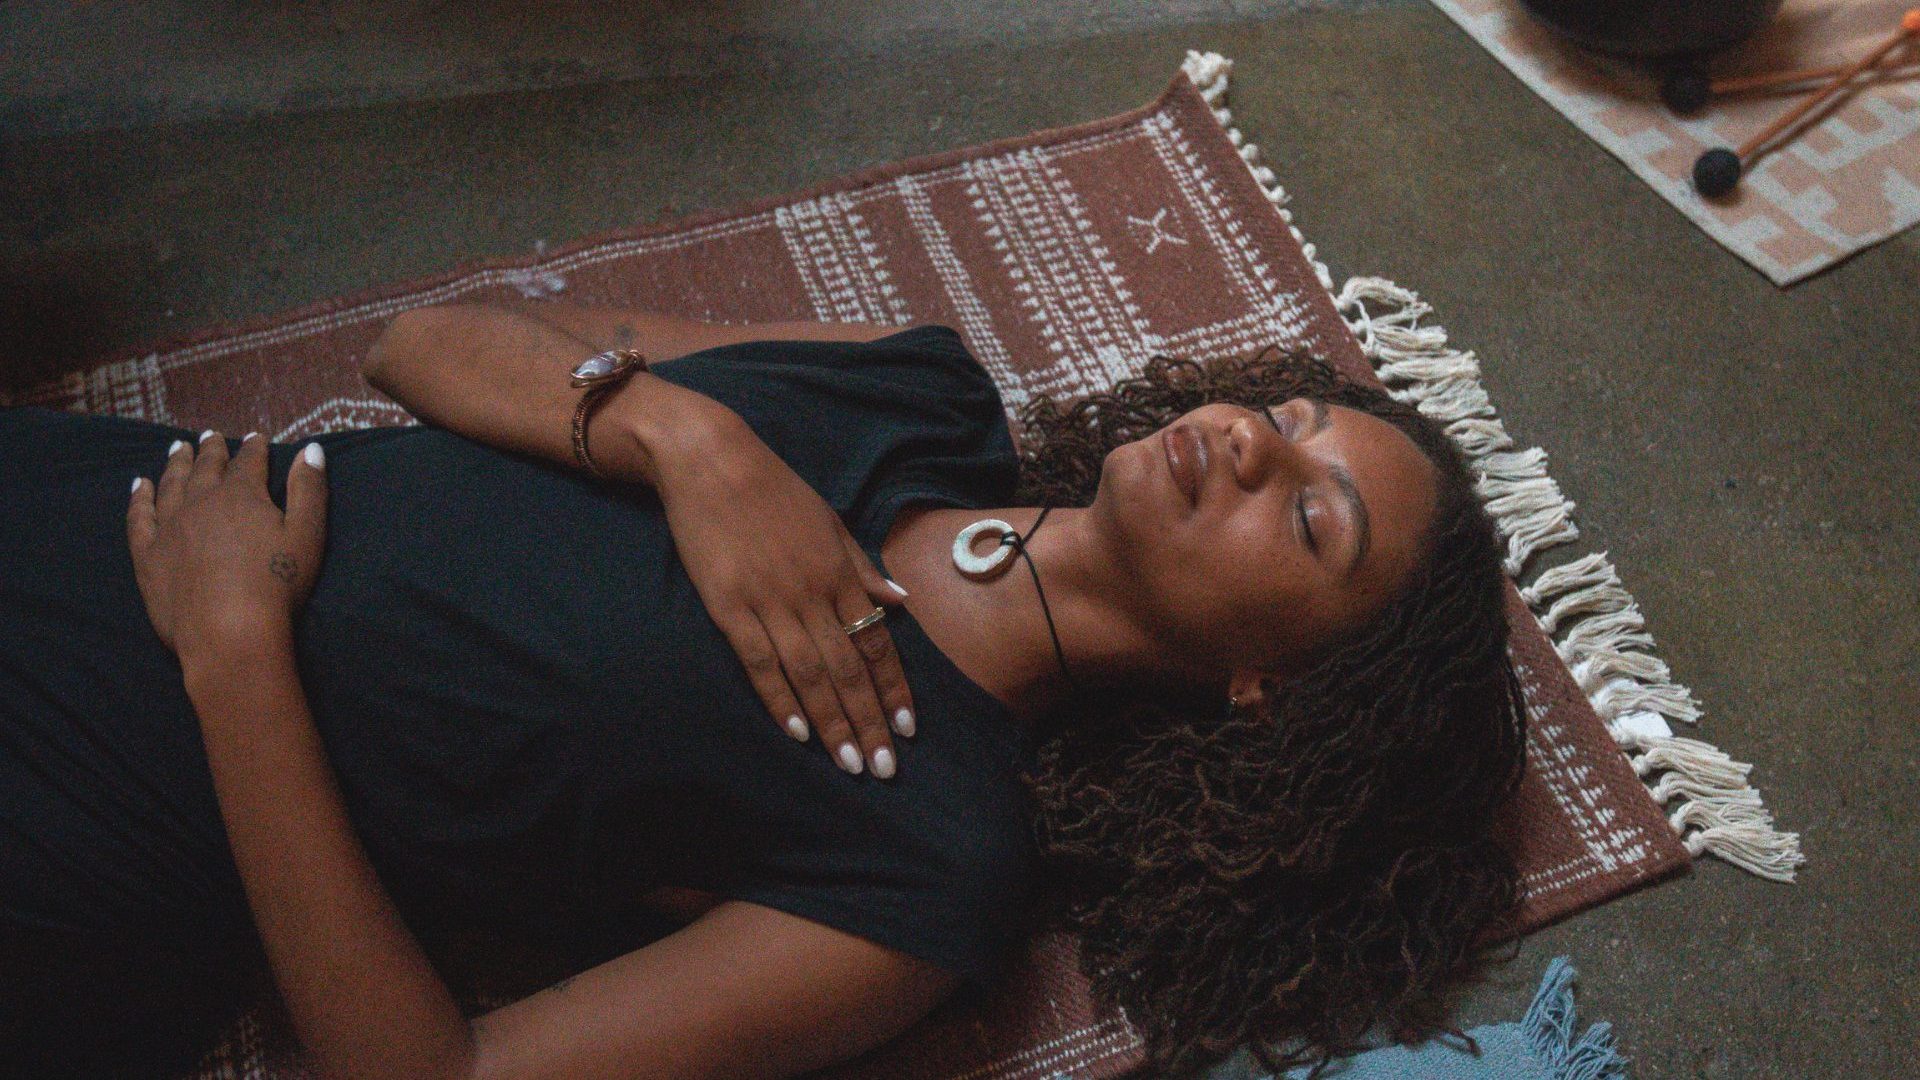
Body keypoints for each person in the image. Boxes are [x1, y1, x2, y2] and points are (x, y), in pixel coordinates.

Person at [0, 301, 1526, 1079]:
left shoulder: (933, 857)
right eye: (1292, 412)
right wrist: (692, 444)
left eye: (1312, 518)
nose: (1255, 440)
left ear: (1272, 689)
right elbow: (422, 346)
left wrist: (235, 653)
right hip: (101, 504)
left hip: (91, 802)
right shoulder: (922, 399)